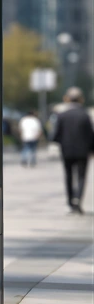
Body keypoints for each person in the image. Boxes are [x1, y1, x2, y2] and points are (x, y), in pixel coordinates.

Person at [52, 87, 94, 215]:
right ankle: (77, 201)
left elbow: (55, 136)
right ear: (81, 99)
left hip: (67, 151)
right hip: (83, 151)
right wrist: (92, 149)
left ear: (67, 99)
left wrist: (63, 144)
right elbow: (90, 135)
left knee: (68, 176)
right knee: (81, 176)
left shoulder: (62, 115)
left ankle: (70, 201)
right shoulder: (84, 115)